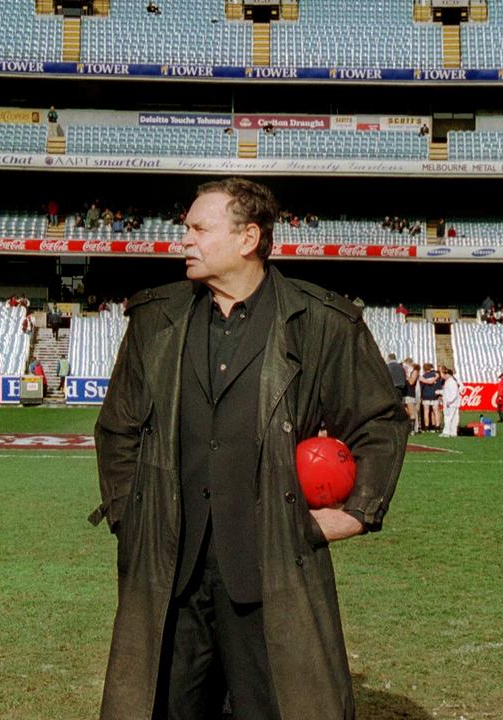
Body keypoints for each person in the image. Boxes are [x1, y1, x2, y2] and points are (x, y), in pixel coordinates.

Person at [92, 177, 409, 719]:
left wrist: (352, 516)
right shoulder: (154, 318)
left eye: (198, 228)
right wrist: (131, 514)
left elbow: (379, 422)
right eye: (185, 228)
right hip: (171, 572)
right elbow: (117, 429)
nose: (183, 240)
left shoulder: (323, 322)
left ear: (247, 238)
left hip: (272, 567)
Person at [438, 365, 462, 437]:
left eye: (441, 373)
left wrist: (449, 401)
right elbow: (447, 391)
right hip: (453, 403)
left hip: (450, 403)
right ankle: (453, 432)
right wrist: (440, 392)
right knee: (454, 418)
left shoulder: (451, 382)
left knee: (448, 417)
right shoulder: (450, 381)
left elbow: (454, 393)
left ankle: (446, 432)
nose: (441, 375)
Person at [419, 362, 440, 431]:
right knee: (436, 411)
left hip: (426, 396)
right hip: (434, 395)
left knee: (426, 411)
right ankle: (437, 426)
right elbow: (438, 385)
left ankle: (427, 427)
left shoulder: (423, 376)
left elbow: (421, 387)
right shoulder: (436, 375)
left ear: (424, 369)